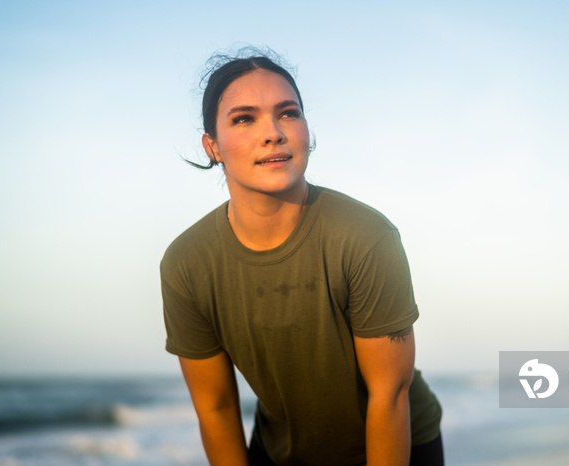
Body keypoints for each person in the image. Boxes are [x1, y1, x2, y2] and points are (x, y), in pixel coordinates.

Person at [161, 49, 443, 466]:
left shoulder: (365, 237)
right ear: (212, 146)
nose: (273, 132)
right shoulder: (187, 264)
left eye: (288, 113)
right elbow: (216, 408)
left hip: (397, 444)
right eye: (244, 118)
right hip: (279, 451)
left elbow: (390, 395)